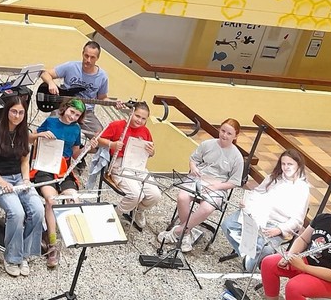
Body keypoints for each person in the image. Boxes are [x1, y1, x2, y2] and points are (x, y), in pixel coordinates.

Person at [0, 96, 45, 277]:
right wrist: (0, 181)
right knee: (17, 212)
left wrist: (26, 179)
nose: (17, 116)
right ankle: (12, 257)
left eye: (21, 112)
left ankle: (23, 254)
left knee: (38, 210)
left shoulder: (24, 132)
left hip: (18, 178)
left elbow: (24, 160)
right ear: (7, 111)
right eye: (14, 111)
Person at [157, 118, 243, 252]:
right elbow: (193, 159)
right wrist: (193, 167)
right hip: (198, 178)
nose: (224, 135)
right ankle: (187, 233)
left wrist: (215, 187)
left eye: (229, 133)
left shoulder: (237, 157)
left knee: (207, 208)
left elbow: (234, 182)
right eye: (223, 131)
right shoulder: (207, 144)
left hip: (218, 185)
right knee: (182, 197)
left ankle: (178, 231)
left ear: (235, 136)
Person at [28, 98, 93, 268]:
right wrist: (39, 135)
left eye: (77, 115)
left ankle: (71, 234)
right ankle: (52, 243)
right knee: (51, 201)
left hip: (64, 169)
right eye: (72, 112)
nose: (73, 117)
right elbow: (30, 138)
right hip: (45, 167)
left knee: (74, 199)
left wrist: (87, 147)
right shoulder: (50, 121)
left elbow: (75, 154)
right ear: (65, 109)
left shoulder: (76, 129)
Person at [221, 149, 310, 272]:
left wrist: (279, 230)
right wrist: (247, 203)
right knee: (228, 225)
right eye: (283, 164)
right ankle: (248, 254)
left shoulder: (302, 189)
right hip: (257, 215)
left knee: (266, 248)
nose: (286, 167)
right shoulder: (273, 178)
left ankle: (249, 263)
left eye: (290, 164)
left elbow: (297, 220)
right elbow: (256, 193)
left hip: (277, 224)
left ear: (298, 165)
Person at [99, 101, 159, 230]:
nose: (139, 120)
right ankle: (116, 214)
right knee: (136, 195)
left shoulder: (145, 131)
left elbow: (150, 152)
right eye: (137, 116)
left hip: (138, 166)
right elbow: (99, 139)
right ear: (131, 113)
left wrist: (152, 152)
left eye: (143, 118)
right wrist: (112, 144)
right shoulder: (117, 125)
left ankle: (138, 210)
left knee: (155, 195)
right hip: (120, 164)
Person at [40, 41, 112, 137]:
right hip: (64, 106)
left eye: (92, 57)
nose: (88, 60)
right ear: (82, 53)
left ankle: (77, 145)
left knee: (100, 136)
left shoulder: (102, 76)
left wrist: (114, 103)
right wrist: (50, 83)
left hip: (86, 112)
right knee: (50, 130)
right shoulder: (71, 66)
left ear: (97, 58)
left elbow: (102, 97)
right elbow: (45, 73)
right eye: (86, 56)